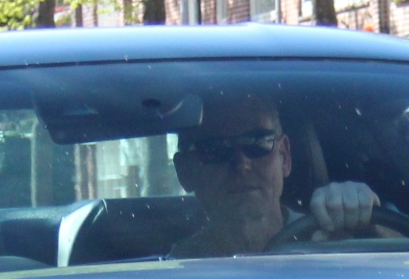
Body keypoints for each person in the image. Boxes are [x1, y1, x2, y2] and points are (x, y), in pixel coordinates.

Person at [168, 99, 391, 258]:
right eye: (215, 150)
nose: (241, 164)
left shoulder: (334, 235)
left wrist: (368, 223)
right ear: (185, 172)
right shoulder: (176, 270)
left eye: (258, 143)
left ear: (284, 157)